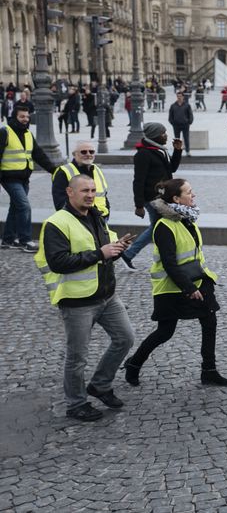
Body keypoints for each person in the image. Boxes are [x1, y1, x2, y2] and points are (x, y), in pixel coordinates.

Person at [35, 175, 135, 421]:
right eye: (84, 191)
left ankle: (100, 385)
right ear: (70, 192)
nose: (90, 195)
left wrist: (115, 246)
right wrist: (100, 253)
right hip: (77, 301)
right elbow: (58, 262)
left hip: (107, 295)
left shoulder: (96, 215)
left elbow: (103, 248)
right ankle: (76, 403)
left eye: (93, 190)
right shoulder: (56, 223)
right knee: (77, 356)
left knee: (125, 339)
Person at [123, 179, 227, 387]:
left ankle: (209, 370)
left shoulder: (186, 218)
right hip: (172, 287)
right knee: (165, 331)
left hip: (199, 279)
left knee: (209, 321)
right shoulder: (164, 226)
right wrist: (188, 288)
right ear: (175, 198)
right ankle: (134, 364)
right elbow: (169, 263)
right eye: (189, 192)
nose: (194, 195)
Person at [122, 123, 183, 268]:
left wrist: (178, 151)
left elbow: (171, 168)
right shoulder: (143, 154)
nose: (166, 136)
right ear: (155, 136)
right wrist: (139, 205)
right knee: (157, 227)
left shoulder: (160, 150)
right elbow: (138, 181)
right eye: (163, 133)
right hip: (152, 198)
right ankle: (130, 254)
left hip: (163, 196)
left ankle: (131, 254)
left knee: (158, 227)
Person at [0, 107, 56, 251]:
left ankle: (7, 240)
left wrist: (54, 170)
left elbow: (39, 155)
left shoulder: (28, 134)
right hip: (9, 178)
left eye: (27, 116)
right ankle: (26, 241)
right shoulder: (4, 132)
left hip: (24, 178)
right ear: (14, 117)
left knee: (15, 208)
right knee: (24, 206)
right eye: (22, 117)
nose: (25, 119)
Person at [53, 141, 111, 220]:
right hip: (78, 219)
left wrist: (107, 212)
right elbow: (60, 202)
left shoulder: (97, 169)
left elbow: (103, 195)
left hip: (102, 218)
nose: (88, 154)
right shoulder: (63, 172)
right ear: (74, 154)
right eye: (83, 152)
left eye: (91, 152)